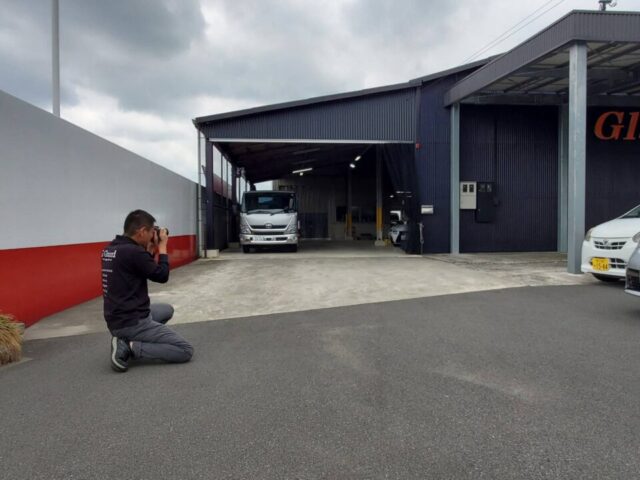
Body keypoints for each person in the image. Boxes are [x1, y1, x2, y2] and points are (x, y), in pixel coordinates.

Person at [102, 209, 193, 372]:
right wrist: (163, 246)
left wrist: (150, 249)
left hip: (116, 318)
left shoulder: (111, 249)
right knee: (185, 350)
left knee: (167, 310)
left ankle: (123, 338)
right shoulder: (133, 252)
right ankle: (130, 347)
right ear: (142, 231)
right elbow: (161, 276)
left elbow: (142, 268)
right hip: (133, 321)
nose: (154, 235)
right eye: (152, 231)